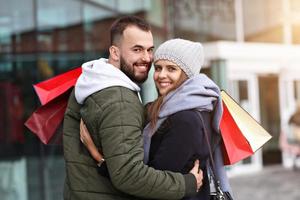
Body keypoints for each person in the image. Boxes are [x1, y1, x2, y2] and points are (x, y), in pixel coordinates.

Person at [63, 16, 203, 200]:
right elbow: (130, 175)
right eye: (137, 50)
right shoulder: (120, 99)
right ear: (114, 52)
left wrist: (100, 159)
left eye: (149, 50)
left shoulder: (94, 82)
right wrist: (187, 184)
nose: (146, 58)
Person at [80, 38, 233, 199]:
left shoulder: (186, 119)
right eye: (158, 68)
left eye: (171, 69)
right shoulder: (173, 107)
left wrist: (99, 158)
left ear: (187, 74)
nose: (161, 75)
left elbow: (151, 185)